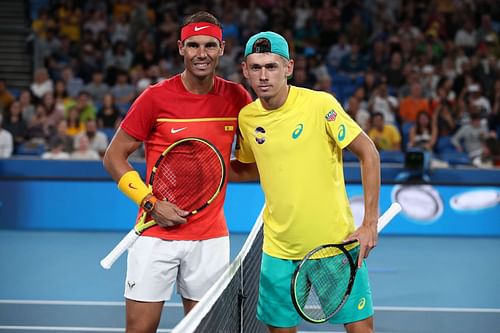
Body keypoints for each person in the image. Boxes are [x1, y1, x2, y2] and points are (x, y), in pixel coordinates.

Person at [102, 11, 252, 333]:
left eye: (210, 45)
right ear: (180, 48)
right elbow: (114, 158)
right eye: (194, 45)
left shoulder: (237, 98)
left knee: (206, 330)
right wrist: (151, 203)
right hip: (155, 234)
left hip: (210, 239)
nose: (202, 54)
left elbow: (240, 167)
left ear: (222, 48)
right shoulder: (155, 98)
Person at [231, 31, 381, 333]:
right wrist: (210, 172)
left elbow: (369, 154)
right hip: (278, 250)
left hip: (335, 246)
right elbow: (252, 167)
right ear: (245, 71)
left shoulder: (320, 105)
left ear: (289, 68)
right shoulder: (247, 118)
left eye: (271, 66)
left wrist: (369, 224)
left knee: (361, 330)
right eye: (256, 67)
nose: (263, 76)